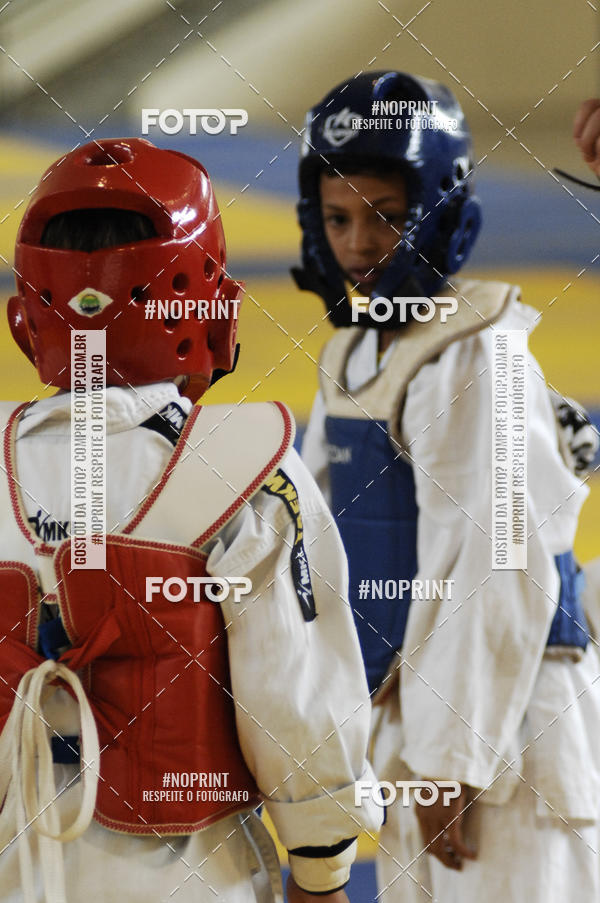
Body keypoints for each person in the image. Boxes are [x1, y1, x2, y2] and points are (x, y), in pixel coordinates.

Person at [0, 137, 383, 903]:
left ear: (28, 314)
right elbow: (294, 696)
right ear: (203, 301)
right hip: (189, 874)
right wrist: (321, 866)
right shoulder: (243, 469)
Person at [294, 71, 600, 902]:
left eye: (388, 217)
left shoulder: (477, 354)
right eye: (339, 218)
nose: (358, 245)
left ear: (441, 215)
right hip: (412, 719)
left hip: (510, 728)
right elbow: (317, 541)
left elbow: (496, 560)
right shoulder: (354, 356)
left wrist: (452, 758)